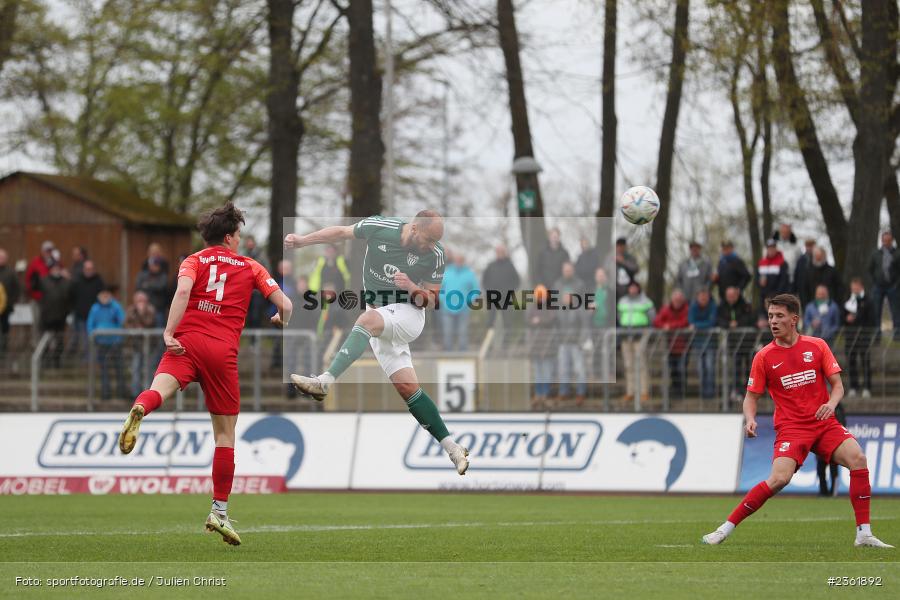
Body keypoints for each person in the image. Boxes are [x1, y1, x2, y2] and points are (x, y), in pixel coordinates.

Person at [118, 203, 292, 547]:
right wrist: (280, 320)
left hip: (186, 341)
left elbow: (182, 292)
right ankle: (219, 512)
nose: (240, 241)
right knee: (225, 436)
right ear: (229, 237)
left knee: (157, 389)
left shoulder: (193, 260)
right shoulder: (251, 265)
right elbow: (285, 306)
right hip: (221, 352)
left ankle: (141, 408)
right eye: (239, 235)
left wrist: (169, 333)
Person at [286, 212, 470, 476]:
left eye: (435, 242)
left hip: (408, 315)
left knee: (367, 320)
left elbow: (431, 300)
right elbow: (340, 232)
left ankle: (323, 382)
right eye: (429, 240)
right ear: (415, 228)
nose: (432, 246)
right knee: (408, 389)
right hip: (381, 317)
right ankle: (453, 447)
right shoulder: (380, 227)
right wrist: (304, 240)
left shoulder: (436, 255)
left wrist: (409, 287)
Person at [702, 293, 892, 548]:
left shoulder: (817, 346)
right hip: (792, 428)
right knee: (779, 478)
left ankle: (864, 534)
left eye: (779, 316)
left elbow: (837, 386)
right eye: (770, 316)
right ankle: (724, 529)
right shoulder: (764, 357)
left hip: (823, 423)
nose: (773, 321)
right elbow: (750, 397)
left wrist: (831, 404)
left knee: (858, 458)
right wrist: (749, 419)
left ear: (794, 319)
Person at [617, 281, 655, 405]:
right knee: (628, 365)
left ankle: (644, 391)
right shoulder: (622, 301)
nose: (632, 290)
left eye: (635, 287)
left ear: (638, 289)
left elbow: (652, 317)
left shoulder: (646, 301)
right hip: (626, 336)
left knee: (641, 364)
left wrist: (647, 332)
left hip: (640, 335)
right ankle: (630, 392)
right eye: (631, 288)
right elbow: (619, 316)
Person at [87, 286, 127, 401]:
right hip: (101, 343)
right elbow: (90, 323)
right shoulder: (95, 308)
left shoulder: (116, 306)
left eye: (106, 294)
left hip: (115, 342)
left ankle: (121, 392)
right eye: (102, 294)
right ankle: (105, 393)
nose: (104, 297)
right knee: (104, 369)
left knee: (119, 367)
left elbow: (122, 321)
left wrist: (120, 337)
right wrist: (92, 336)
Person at [717, 286, 756, 403]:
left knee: (749, 370)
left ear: (737, 295)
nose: (731, 298)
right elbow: (719, 320)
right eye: (729, 296)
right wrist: (728, 324)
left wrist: (737, 323)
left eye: (733, 295)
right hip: (733, 344)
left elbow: (750, 319)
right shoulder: (722, 307)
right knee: (736, 369)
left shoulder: (745, 305)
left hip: (747, 343)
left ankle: (749, 391)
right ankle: (737, 391)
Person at [653, 289, 690, 398]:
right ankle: (674, 391)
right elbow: (657, 321)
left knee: (681, 369)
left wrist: (670, 326)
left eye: (679, 299)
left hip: (683, 346)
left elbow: (686, 322)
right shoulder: (666, 309)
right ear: (672, 299)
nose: (677, 301)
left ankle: (681, 392)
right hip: (669, 347)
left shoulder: (687, 309)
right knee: (673, 370)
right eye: (675, 299)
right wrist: (666, 326)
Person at [440, 251, 480, 352]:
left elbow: (475, 290)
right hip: (447, 309)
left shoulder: (470, 274)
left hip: (464, 309)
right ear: (454, 261)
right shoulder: (447, 272)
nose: (458, 262)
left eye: (460, 260)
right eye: (457, 260)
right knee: (447, 333)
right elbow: (440, 289)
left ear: (463, 261)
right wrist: (443, 300)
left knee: (463, 333)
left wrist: (468, 302)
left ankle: (463, 356)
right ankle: (448, 356)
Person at [555, 290, 590, 406]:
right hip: (563, 344)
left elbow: (585, 325)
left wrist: (581, 340)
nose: (566, 299)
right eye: (564, 297)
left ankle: (581, 393)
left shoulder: (579, 309)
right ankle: (563, 392)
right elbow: (556, 327)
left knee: (579, 369)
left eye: (568, 297)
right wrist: (558, 340)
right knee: (563, 369)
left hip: (576, 343)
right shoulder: (559, 310)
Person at [843, 277, 875, 399]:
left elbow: (871, 318)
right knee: (851, 362)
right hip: (850, 336)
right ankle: (853, 387)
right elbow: (843, 316)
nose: (854, 289)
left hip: (863, 336)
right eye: (852, 287)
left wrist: (857, 317)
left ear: (861, 286)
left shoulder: (868, 301)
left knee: (865, 362)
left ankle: (867, 387)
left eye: (856, 287)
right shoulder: (848, 300)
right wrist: (847, 319)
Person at [527, 285, 557, 410]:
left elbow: (550, 320)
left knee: (547, 373)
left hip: (548, 348)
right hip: (536, 347)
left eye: (542, 296)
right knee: (538, 373)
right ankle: (538, 395)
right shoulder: (532, 308)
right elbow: (527, 319)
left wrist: (539, 320)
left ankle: (545, 395)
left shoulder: (549, 308)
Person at [38, 261, 71, 368]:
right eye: (54, 268)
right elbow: (33, 289)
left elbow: (72, 295)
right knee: (45, 339)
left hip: (61, 316)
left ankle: (57, 362)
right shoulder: (43, 280)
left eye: (58, 268)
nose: (56, 270)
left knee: (60, 340)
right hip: (47, 316)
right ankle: (44, 362)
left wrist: (69, 278)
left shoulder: (66, 281)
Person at [867, 231, 900, 336]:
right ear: (882, 241)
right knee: (876, 311)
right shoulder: (875, 254)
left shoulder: (897, 253)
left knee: (895, 311)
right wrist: (875, 282)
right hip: (878, 287)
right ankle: (877, 335)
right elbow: (870, 269)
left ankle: (897, 334)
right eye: (884, 240)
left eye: (888, 241)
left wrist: (896, 284)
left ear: (892, 241)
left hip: (893, 287)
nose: (886, 242)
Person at [69, 260, 105, 357]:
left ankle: (96, 360)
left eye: (91, 269)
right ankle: (87, 362)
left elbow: (103, 298)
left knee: (96, 340)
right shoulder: (77, 281)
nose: (89, 271)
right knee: (84, 341)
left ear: (94, 270)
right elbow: (71, 296)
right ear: (83, 269)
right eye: (87, 269)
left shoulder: (99, 281)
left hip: (96, 317)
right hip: (81, 316)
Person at [124, 290, 157, 397]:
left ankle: (147, 393)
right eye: (139, 300)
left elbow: (149, 323)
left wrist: (141, 313)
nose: (141, 303)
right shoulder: (130, 310)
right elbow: (126, 324)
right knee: (135, 369)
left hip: (149, 346)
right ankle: (135, 393)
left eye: (143, 300)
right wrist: (135, 329)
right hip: (136, 345)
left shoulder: (150, 310)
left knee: (148, 369)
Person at [482, 244, 520, 329]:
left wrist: (511, 291)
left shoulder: (510, 265)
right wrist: (488, 291)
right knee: (490, 321)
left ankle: (506, 341)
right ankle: (489, 340)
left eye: (502, 252)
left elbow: (517, 280)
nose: (500, 253)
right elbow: (484, 280)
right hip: (493, 296)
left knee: (508, 321)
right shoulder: (491, 266)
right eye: (498, 252)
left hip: (506, 297)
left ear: (505, 253)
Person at [25, 240, 57, 343]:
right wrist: (34, 294)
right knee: (37, 323)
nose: (48, 253)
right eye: (46, 250)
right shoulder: (35, 263)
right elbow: (28, 280)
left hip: (52, 301)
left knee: (52, 323)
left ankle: (52, 346)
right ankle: (36, 345)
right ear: (42, 251)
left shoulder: (56, 263)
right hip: (38, 299)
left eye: (50, 251)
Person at [689, 288, 718, 399]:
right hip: (698, 343)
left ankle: (710, 393)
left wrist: (697, 326)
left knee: (710, 367)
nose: (703, 298)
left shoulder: (713, 306)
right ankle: (703, 392)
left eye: (705, 296)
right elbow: (691, 320)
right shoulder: (693, 307)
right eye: (701, 296)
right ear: (697, 297)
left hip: (711, 343)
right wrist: (699, 325)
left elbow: (711, 322)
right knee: (700, 369)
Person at [817, 403, 848, 497]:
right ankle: (823, 491)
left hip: (834, 444)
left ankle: (833, 492)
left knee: (833, 469)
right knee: (820, 468)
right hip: (821, 443)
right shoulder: (820, 404)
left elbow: (842, 423)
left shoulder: (838, 407)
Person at [136, 256, 171, 328]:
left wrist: (147, 285)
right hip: (146, 309)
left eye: (156, 265)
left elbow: (160, 287)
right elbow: (138, 287)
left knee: (159, 329)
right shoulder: (143, 275)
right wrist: (153, 285)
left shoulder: (163, 276)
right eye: (152, 265)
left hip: (159, 309)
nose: (154, 267)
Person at [713, 240, 751, 305]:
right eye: (724, 248)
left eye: (727, 248)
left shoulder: (737, 261)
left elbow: (747, 276)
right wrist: (716, 280)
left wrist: (739, 288)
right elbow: (719, 280)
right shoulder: (721, 262)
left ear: (732, 248)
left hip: (735, 296)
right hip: (723, 296)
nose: (725, 250)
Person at [675, 241, 712, 305]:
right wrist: (680, 292)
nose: (694, 250)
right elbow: (678, 280)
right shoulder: (683, 263)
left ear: (700, 249)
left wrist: (705, 291)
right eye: (692, 248)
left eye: (697, 248)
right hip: (685, 298)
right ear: (690, 249)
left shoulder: (706, 263)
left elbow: (710, 279)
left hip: (700, 299)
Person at [756, 239, 790, 309]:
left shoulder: (782, 263)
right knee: (764, 318)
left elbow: (784, 282)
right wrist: (760, 284)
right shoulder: (761, 263)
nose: (771, 250)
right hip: (764, 298)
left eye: (772, 248)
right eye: (769, 248)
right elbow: (757, 280)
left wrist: (775, 296)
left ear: (776, 249)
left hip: (778, 298)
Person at [0, 249, 21, 357]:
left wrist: (11, 302)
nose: (1, 259)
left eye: (2, 257)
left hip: (6, 308)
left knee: (4, 330)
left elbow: (17, 288)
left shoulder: (10, 272)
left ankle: (3, 351)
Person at [793, 238, 817, 309]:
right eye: (808, 246)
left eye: (811, 246)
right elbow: (796, 275)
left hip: (815, 289)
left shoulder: (817, 258)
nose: (809, 248)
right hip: (802, 290)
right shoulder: (801, 260)